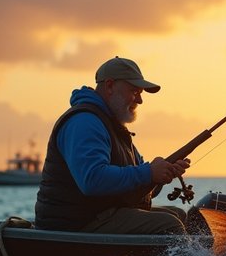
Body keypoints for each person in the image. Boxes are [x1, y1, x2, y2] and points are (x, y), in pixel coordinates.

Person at [35, 56, 191, 234]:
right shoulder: (85, 122)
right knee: (169, 225)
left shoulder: (113, 126)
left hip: (102, 214)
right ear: (109, 86)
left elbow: (135, 186)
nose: (140, 100)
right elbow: (92, 180)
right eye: (134, 91)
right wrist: (149, 172)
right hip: (75, 224)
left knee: (180, 215)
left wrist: (160, 176)